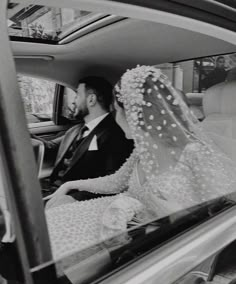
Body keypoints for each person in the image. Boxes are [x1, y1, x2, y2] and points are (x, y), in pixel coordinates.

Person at [45, 65, 236, 260]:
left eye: (117, 111)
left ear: (135, 115)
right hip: (120, 221)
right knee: (53, 226)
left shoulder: (194, 153)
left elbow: (221, 215)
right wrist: (69, 185)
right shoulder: (142, 149)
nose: (115, 118)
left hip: (160, 240)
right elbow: (115, 182)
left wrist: (166, 215)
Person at [39, 76, 134, 199]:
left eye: (77, 95)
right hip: (51, 191)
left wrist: (71, 199)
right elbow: (49, 147)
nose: (73, 101)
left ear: (91, 100)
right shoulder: (75, 130)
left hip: (73, 199)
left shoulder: (117, 134)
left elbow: (115, 184)